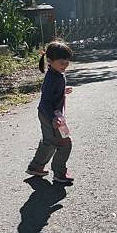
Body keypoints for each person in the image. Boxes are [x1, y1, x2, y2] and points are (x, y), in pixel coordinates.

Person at [26, 40, 74, 183]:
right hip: (50, 115)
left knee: (49, 141)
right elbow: (45, 101)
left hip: (50, 114)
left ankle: (36, 167)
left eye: (67, 62)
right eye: (62, 62)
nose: (65, 65)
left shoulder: (57, 73)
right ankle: (59, 173)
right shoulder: (52, 78)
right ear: (50, 61)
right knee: (64, 143)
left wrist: (62, 91)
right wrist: (53, 118)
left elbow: (51, 94)